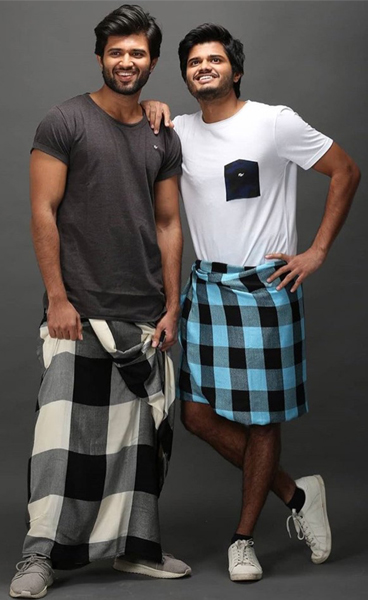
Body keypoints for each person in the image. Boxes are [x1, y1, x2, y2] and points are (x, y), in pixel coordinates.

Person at [142, 23, 360, 582]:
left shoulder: (274, 122)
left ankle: (243, 540)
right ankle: (298, 494)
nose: (204, 67)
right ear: (186, 75)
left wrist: (317, 251)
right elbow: (139, 129)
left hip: (266, 289)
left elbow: (346, 170)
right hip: (208, 289)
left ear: (235, 70)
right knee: (196, 416)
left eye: (215, 59)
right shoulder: (178, 132)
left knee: (263, 421)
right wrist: (151, 106)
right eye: (194, 62)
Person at [9, 5, 192, 598]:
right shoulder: (64, 120)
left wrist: (171, 306)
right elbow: (43, 211)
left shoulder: (161, 133)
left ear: (153, 62)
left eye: (137, 52)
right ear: (100, 57)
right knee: (60, 442)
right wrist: (57, 298)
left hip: (143, 314)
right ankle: (39, 556)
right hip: (78, 310)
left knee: (138, 448)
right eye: (116, 52)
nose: (126, 61)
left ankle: (136, 550)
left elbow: (169, 223)